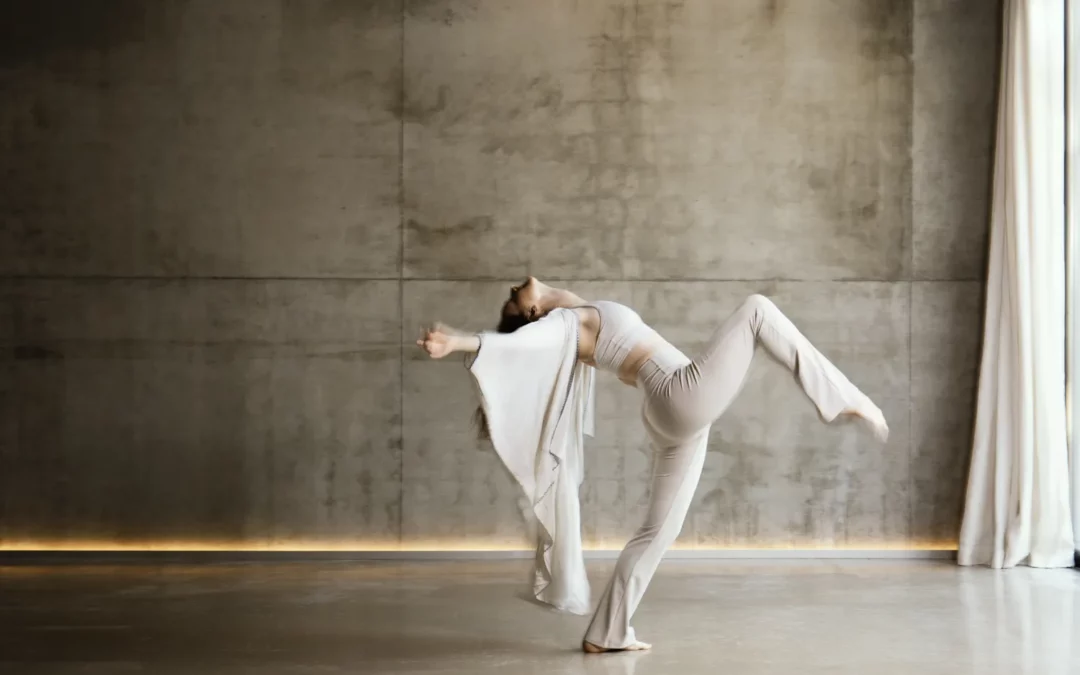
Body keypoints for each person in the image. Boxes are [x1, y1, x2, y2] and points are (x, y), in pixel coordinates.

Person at [417, 277, 888, 653]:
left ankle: (608, 632)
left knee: (656, 532)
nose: (513, 289)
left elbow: (554, 320)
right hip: (678, 392)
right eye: (516, 300)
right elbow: (520, 345)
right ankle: (843, 398)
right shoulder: (566, 323)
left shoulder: (575, 309)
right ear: (535, 312)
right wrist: (459, 342)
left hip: (672, 412)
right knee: (758, 309)